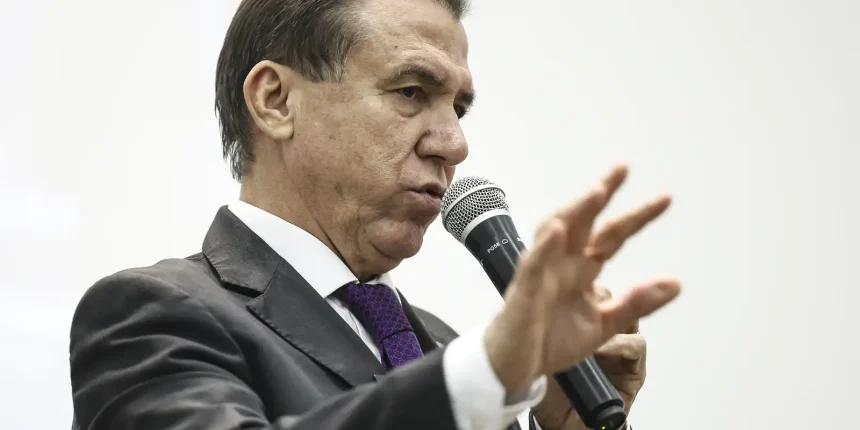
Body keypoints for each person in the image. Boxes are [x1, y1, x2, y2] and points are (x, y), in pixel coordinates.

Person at [68, 0, 681, 429]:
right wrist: (485, 372)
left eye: (459, 108)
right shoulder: (150, 315)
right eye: (412, 92)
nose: (454, 144)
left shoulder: (442, 345)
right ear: (275, 101)